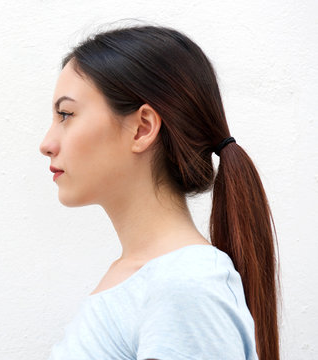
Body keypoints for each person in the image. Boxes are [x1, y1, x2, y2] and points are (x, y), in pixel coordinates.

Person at [39, 23, 280, 360]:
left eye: (66, 114)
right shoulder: (149, 279)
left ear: (143, 128)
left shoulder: (184, 285)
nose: (46, 144)